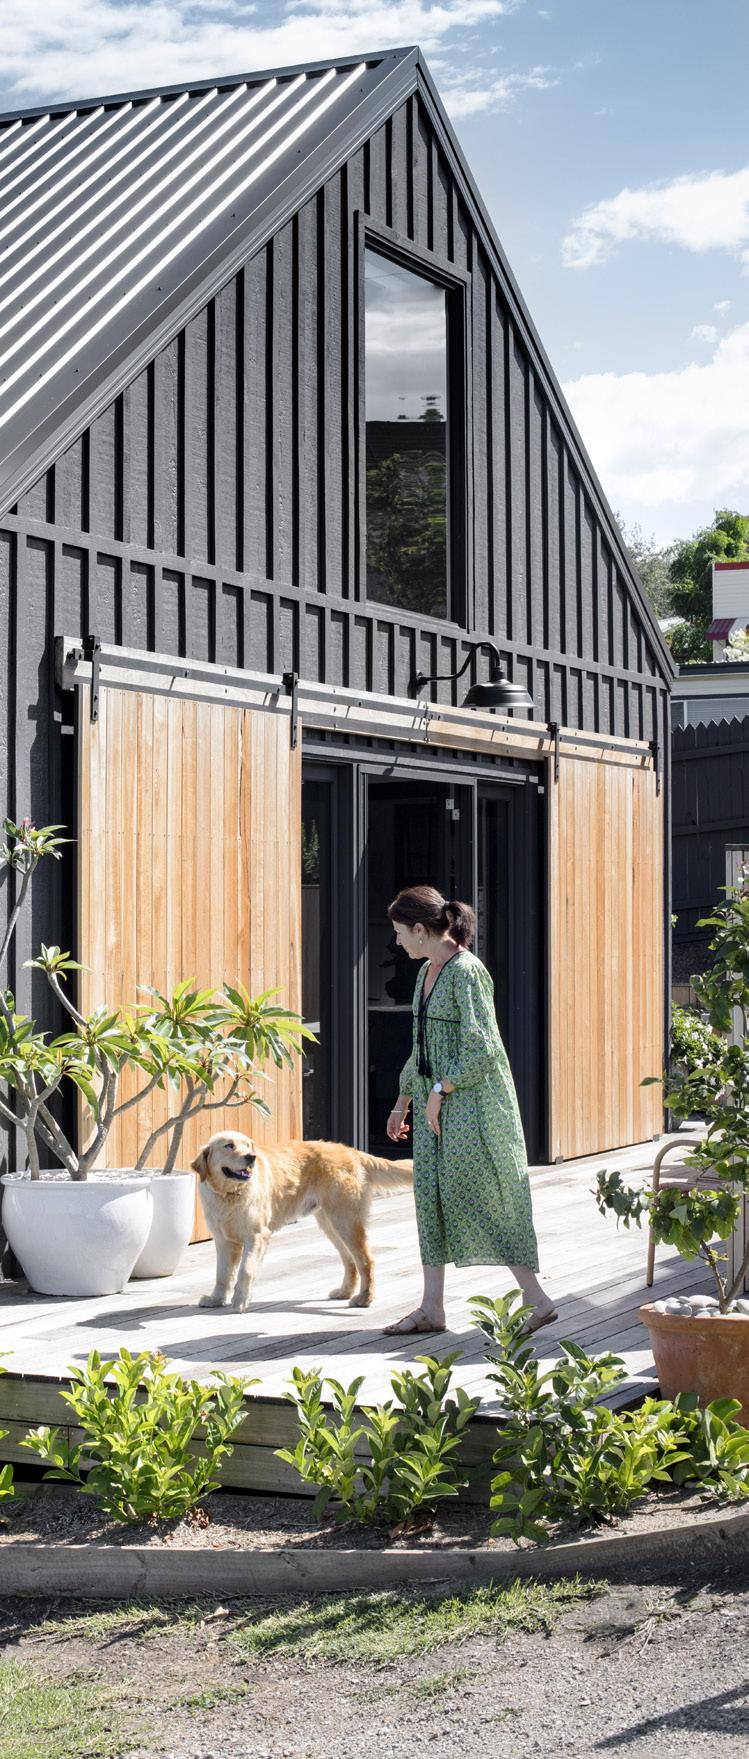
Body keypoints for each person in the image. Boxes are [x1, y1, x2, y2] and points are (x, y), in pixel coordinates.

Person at [384, 884, 556, 1336]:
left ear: (420, 929)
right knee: (430, 1196)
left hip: (473, 1104)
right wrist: (403, 1100)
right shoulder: (426, 973)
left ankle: (537, 1299)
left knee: (484, 1196)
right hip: (434, 1103)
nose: (397, 941)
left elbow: (484, 1047)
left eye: (400, 932)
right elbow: (422, 1047)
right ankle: (431, 1308)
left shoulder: (467, 972)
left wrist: (441, 1089)